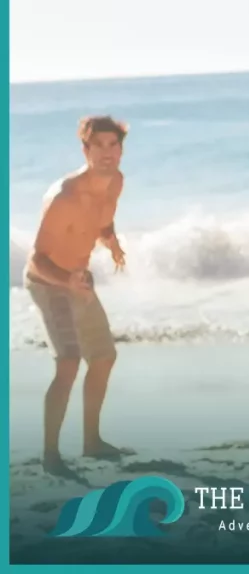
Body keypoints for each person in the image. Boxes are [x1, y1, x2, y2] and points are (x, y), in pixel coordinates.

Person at [25, 115, 130, 475]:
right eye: (97, 145)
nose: (106, 152)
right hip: (49, 282)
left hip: (78, 280)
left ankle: (91, 442)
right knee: (68, 362)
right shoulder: (64, 197)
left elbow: (102, 222)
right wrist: (66, 281)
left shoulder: (115, 182)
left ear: (120, 149)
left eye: (112, 145)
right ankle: (50, 455)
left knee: (103, 357)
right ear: (85, 149)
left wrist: (112, 242)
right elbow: (36, 259)